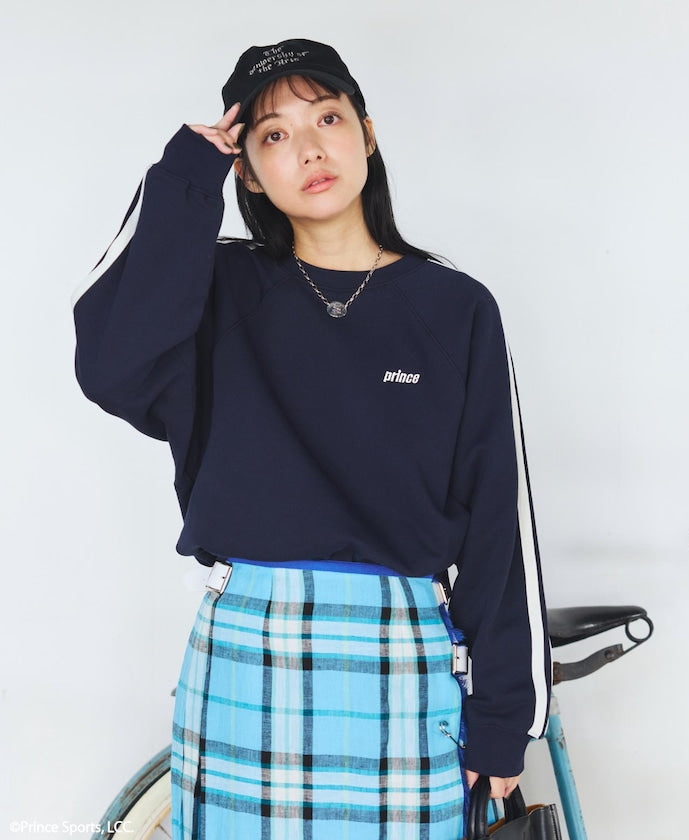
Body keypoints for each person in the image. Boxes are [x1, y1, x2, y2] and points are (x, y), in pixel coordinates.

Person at [73, 38, 552, 840]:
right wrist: (187, 174)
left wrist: (504, 715)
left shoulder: (456, 307)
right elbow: (110, 365)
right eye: (273, 134)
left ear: (367, 133)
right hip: (245, 653)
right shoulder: (215, 289)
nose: (309, 148)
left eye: (327, 118)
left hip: (405, 659)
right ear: (248, 173)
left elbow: (499, 522)